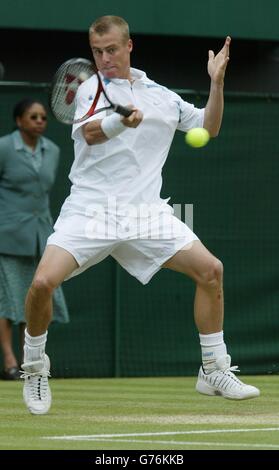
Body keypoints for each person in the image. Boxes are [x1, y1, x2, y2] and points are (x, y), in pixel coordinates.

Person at [21, 16, 259, 415]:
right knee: (43, 282)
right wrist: (119, 120)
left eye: (111, 50)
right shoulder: (89, 89)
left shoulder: (162, 96)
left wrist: (216, 82)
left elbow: (209, 126)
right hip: (91, 210)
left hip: (147, 212)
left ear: (129, 46)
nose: (103, 59)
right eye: (97, 52)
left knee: (211, 270)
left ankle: (213, 368)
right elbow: (93, 132)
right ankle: (34, 366)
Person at [0, 99, 69, 380]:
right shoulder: (4, 147)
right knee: (7, 301)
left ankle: (31, 362)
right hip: (7, 235)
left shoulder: (52, 150)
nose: (40, 121)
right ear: (19, 121)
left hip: (41, 236)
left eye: (43, 117)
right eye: (33, 116)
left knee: (34, 299)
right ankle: (9, 362)